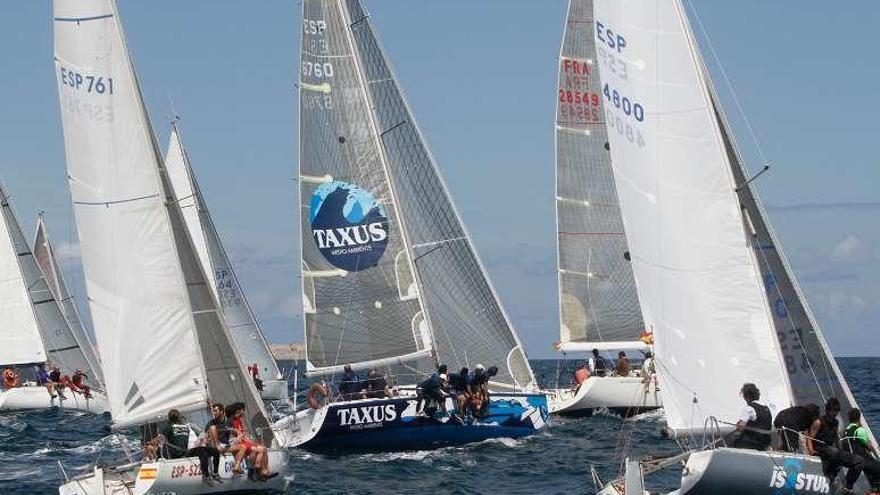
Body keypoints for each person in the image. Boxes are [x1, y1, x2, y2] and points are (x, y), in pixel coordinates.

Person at [808, 398, 865, 492]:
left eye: (836, 411)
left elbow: (837, 439)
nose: (834, 413)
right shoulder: (818, 422)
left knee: (859, 461)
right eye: (832, 411)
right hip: (820, 448)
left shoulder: (836, 422)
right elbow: (810, 437)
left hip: (832, 450)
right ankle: (830, 474)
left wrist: (842, 451)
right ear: (827, 410)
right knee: (833, 452)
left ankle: (848, 488)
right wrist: (810, 451)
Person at [229, 402, 276, 481]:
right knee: (260, 449)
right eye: (243, 410)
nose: (244, 412)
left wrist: (251, 441)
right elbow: (238, 436)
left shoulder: (238, 420)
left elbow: (243, 434)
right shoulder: (233, 421)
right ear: (239, 411)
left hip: (243, 443)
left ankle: (264, 471)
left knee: (262, 448)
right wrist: (251, 443)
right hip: (239, 444)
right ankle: (258, 470)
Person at [842, 408, 880, 488]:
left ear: (849, 418)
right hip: (860, 459)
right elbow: (869, 447)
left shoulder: (845, 431)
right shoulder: (859, 430)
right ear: (859, 417)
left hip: (849, 458)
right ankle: (875, 490)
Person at [733, 383, 773, 450]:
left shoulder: (749, 408)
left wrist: (738, 424)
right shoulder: (767, 408)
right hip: (765, 443)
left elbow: (741, 427)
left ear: (747, 397)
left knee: (734, 441)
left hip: (751, 443)